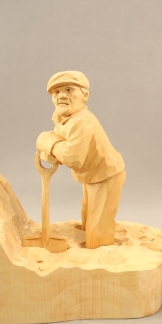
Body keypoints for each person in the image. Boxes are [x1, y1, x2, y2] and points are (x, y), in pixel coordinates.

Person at [36, 71, 125, 249]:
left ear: (85, 96)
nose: (61, 96)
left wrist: (49, 144)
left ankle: (98, 249)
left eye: (69, 90)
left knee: (98, 222)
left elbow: (73, 158)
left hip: (106, 174)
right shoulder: (62, 118)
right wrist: (51, 148)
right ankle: (90, 236)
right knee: (88, 210)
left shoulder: (84, 122)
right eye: (56, 92)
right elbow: (59, 146)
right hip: (91, 174)